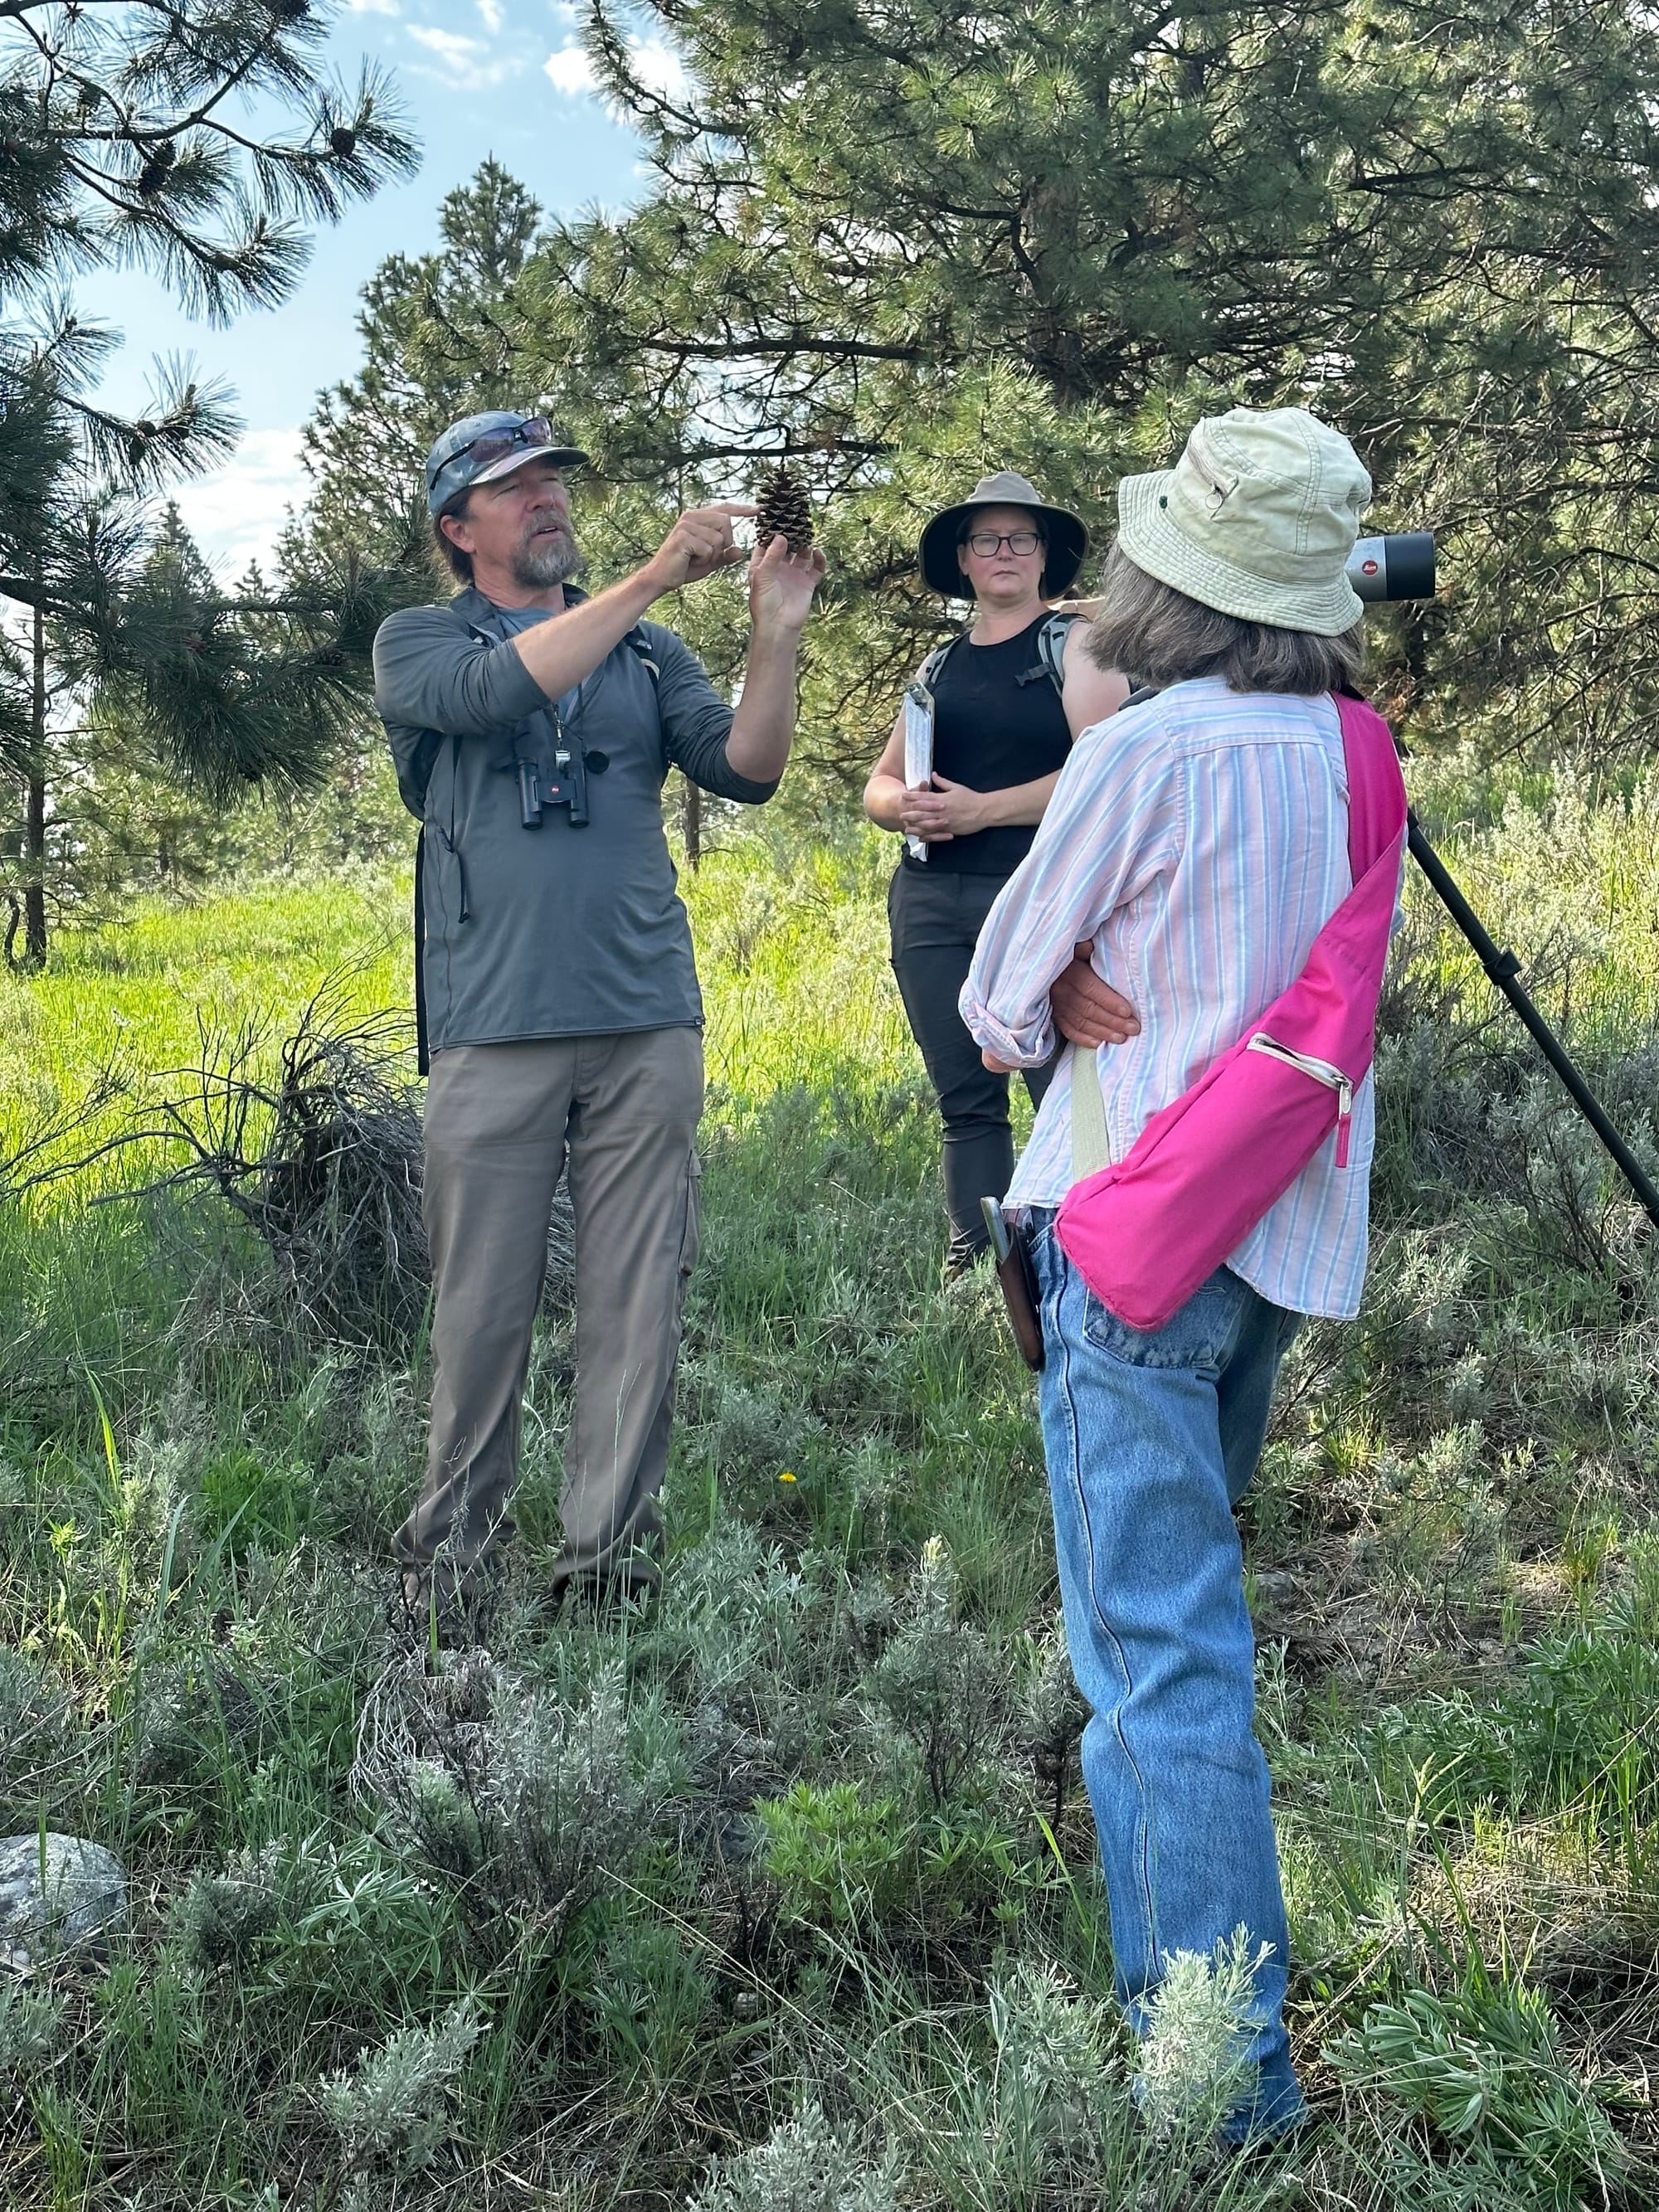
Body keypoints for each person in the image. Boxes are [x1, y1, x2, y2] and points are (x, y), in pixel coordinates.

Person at [961, 407, 1391, 2142]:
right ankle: (1203, 2006)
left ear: (1171, 573)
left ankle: (1219, 2085)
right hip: (1270, 1237)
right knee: (1183, 1617)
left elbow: (997, 994)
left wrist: (1058, 998)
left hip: (1128, 1231)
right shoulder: (1360, 752)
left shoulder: (1143, 753)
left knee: (1158, 1662)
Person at [373, 410, 825, 1621]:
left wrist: (774, 635)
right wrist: (652, 575)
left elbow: (750, 766)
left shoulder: (648, 655)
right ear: (457, 527)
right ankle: (452, 1564)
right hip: (491, 1024)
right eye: (512, 488)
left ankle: (606, 1566)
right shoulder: (420, 639)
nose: (545, 501)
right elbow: (489, 693)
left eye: (552, 482)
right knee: (480, 1310)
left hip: (642, 1017)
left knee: (635, 1297)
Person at [863, 472, 1131, 1273]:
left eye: (1021, 538)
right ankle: (977, 1269)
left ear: (1045, 557)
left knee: (1065, 1094)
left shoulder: (1076, 645)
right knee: (965, 1102)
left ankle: (1086, 1259)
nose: (1005, 552)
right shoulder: (938, 666)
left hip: (1045, 902)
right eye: (989, 540)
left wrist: (987, 810)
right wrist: (902, 808)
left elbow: (1108, 768)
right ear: (966, 562)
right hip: (931, 903)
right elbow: (878, 785)